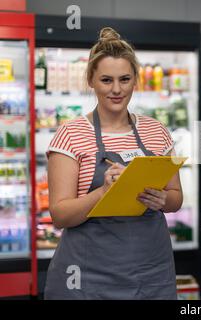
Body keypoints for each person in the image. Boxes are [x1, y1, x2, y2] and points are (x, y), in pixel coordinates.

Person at [44, 27, 183, 300]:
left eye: (125, 79)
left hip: (151, 273)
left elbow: (176, 199)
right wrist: (103, 193)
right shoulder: (71, 134)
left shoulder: (157, 132)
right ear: (91, 81)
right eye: (106, 80)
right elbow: (60, 215)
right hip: (88, 276)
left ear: (135, 81)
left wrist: (161, 198)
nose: (117, 89)